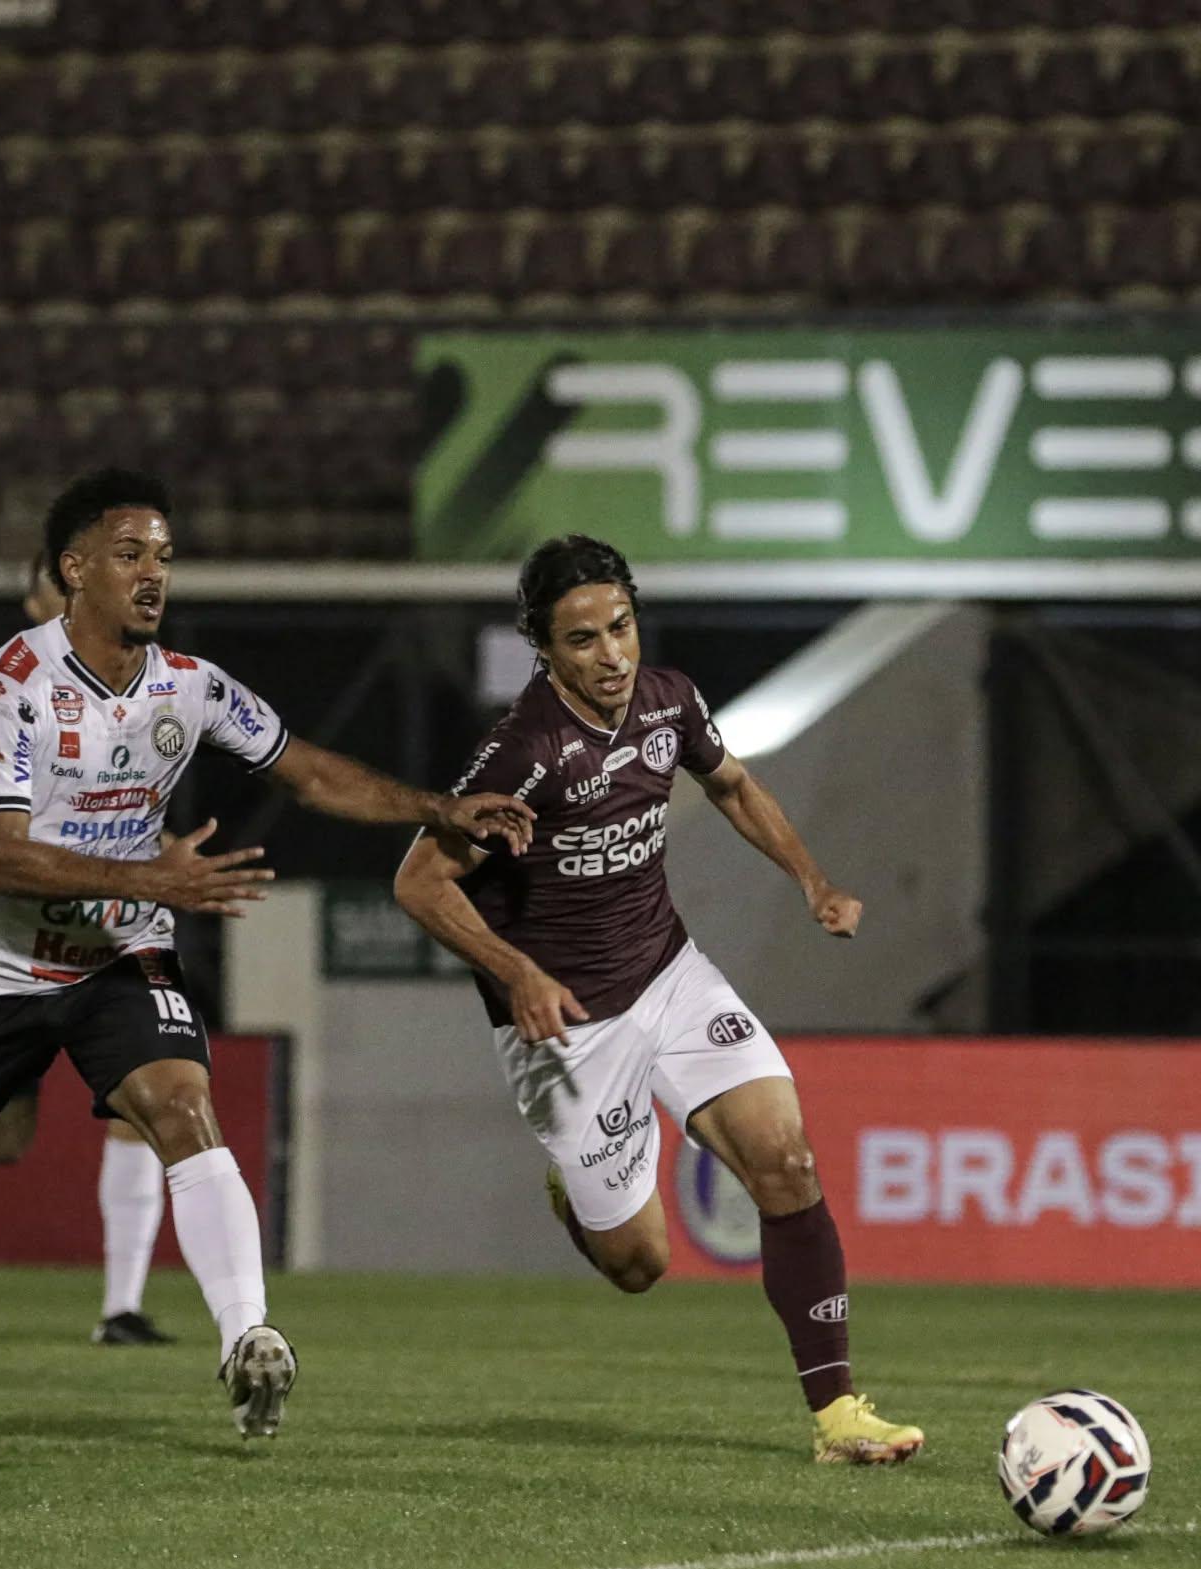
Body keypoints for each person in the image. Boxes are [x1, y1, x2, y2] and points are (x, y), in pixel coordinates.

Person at [0, 467, 533, 1442]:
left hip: (118, 958)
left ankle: (249, 1340)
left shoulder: (191, 687)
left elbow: (307, 770)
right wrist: (153, 881)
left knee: (182, 1106)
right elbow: (2, 856)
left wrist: (437, 807)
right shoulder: (9, 687)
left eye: (165, 558)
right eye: (131, 554)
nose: (154, 575)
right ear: (75, 569)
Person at [394, 534, 923, 1465]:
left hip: (671, 977)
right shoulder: (522, 753)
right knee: (642, 1267)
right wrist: (516, 971)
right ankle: (578, 1194)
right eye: (584, 640)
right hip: (570, 1028)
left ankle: (838, 1416)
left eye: (622, 628)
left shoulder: (669, 700)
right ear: (545, 651)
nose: (612, 656)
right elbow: (420, 884)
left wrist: (811, 881)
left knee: (787, 1160)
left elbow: (734, 784)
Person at [0, 554, 176, 1348]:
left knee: (149, 1106)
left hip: (111, 940)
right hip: (9, 949)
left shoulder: (142, 692)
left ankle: (121, 1308)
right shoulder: (1, 692)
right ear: (40, 596)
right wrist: (33, 843)